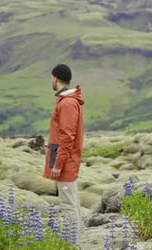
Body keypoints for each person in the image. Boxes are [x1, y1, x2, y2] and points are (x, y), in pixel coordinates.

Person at [44, 63, 84, 240]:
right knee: (72, 203)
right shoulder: (66, 101)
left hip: (65, 163)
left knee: (68, 205)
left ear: (55, 78)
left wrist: (58, 164)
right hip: (67, 160)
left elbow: (67, 136)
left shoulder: (67, 103)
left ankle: (74, 248)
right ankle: (79, 243)